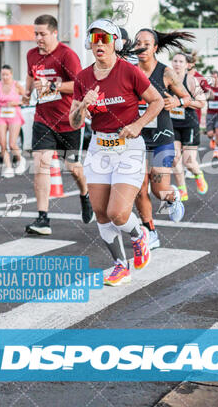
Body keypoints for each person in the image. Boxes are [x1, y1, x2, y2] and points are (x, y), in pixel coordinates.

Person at [70, 19, 164, 286]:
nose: (99, 44)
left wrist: (138, 124)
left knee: (118, 213)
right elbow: (73, 122)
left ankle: (139, 235)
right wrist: (82, 108)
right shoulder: (83, 78)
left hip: (128, 149)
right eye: (95, 39)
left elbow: (156, 101)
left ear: (115, 43)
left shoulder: (128, 71)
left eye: (105, 39)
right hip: (99, 147)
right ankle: (120, 265)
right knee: (100, 211)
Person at [23, 15, 92, 233]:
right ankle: (43, 218)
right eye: (35, 33)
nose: (38, 38)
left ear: (54, 33)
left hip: (68, 121)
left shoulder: (67, 55)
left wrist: (51, 85)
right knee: (41, 165)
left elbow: (79, 87)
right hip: (43, 119)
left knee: (73, 168)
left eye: (42, 34)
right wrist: (27, 93)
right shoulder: (31, 54)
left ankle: (85, 194)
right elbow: (30, 76)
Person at [134, 28, 192, 250]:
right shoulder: (129, 71)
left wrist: (177, 102)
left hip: (161, 137)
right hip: (136, 138)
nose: (141, 47)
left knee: (159, 191)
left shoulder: (166, 73)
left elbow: (187, 97)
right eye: (138, 43)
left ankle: (172, 196)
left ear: (155, 48)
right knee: (140, 188)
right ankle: (150, 231)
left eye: (146, 44)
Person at [171, 52, 208, 200]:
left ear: (187, 65)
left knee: (189, 161)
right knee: (174, 158)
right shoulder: (167, 79)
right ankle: (182, 190)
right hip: (172, 123)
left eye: (181, 61)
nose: (177, 64)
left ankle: (198, 174)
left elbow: (202, 102)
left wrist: (183, 102)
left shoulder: (192, 81)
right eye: (175, 61)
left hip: (189, 124)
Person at [0, 65, 26, 178]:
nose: (5, 77)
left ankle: (21, 160)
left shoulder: (16, 85)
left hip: (14, 114)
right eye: (3, 75)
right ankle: (8, 167)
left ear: (11, 75)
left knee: (12, 143)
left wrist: (16, 103)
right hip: (2, 114)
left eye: (7, 74)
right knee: (2, 143)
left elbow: (26, 100)